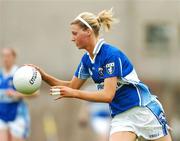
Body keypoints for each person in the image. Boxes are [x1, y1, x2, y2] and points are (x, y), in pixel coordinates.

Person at [29, 9, 172, 141]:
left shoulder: (110, 55)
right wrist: (44, 76)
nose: (72, 38)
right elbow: (71, 86)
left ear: (88, 31)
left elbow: (107, 95)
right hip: (121, 116)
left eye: (75, 33)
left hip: (143, 110)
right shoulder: (87, 60)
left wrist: (74, 93)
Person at [0, 48, 30, 141]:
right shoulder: (0, 74)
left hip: (17, 115)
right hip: (2, 115)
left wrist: (16, 94)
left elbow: (35, 93)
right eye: (3, 56)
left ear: (14, 57)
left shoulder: (20, 73)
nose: (5, 59)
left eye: (8, 56)